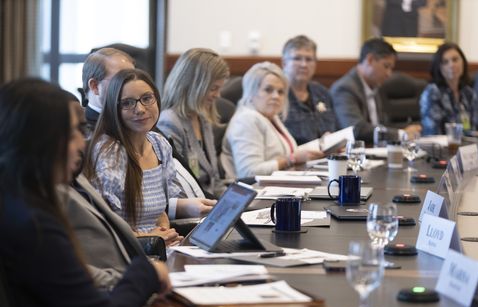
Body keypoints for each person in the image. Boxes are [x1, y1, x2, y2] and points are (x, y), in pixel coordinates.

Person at [0, 78, 170, 307]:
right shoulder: (34, 225)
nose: (82, 144)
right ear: (39, 142)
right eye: (72, 134)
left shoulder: (16, 202)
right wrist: (146, 271)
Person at [84, 68, 214, 237]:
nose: (140, 109)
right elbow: (105, 228)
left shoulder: (159, 144)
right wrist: (151, 238)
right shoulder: (110, 153)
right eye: (128, 103)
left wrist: (164, 230)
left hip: (159, 246)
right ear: (113, 109)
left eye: (146, 98)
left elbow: (160, 212)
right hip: (128, 253)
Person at [221, 62, 323, 179]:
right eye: (268, 90)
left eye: (280, 92)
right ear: (251, 91)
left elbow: (288, 154)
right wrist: (291, 159)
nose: (276, 96)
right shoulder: (246, 120)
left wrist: (321, 146)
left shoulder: (271, 117)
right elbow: (248, 173)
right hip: (254, 192)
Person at [157, 48, 229, 198]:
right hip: (194, 210)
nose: (218, 95)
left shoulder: (202, 117)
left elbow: (214, 180)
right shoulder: (170, 121)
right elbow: (176, 186)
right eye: (213, 88)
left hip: (212, 204)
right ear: (194, 86)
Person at [330, 38, 421, 144]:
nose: (389, 74)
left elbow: (381, 125)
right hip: (355, 156)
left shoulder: (375, 86)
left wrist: (406, 129)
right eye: (386, 66)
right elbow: (356, 130)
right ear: (370, 60)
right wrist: (401, 134)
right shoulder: (345, 89)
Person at [282, 35, 338, 145]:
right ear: (284, 63)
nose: (304, 64)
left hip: (325, 158)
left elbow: (334, 128)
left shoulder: (322, 93)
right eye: (297, 58)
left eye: (309, 59)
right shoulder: (277, 94)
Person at [420, 42, 478, 135]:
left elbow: (471, 130)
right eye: (445, 62)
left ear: (463, 61)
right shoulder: (432, 92)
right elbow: (432, 133)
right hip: (438, 147)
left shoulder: (469, 94)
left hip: (466, 147)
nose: (451, 65)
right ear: (439, 67)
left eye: (455, 60)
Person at [81, 47, 135, 137]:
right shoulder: (81, 131)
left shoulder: (140, 121)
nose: (132, 87)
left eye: (133, 79)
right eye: (121, 79)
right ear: (95, 86)